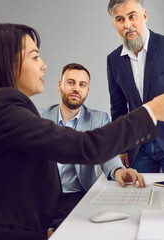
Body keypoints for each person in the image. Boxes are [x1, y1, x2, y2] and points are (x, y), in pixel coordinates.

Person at [0, 23, 164, 240]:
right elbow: (85, 146)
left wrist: (117, 170)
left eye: (83, 84)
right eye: (34, 57)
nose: (44, 65)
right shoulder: (3, 107)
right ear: (7, 63)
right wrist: (150, 112)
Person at [41, 63, 144, 223]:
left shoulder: (98, 119)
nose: (76, 88)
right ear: (60, 85)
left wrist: (119, 170)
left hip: (77, 195)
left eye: (82, 85)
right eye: (71, 82)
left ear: (87, 91)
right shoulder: (40, 117)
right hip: (42, 195)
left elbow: (107, 153)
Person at [107, 0, 164, 173]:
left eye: (132, 16)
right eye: (120, 19)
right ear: (114, 23)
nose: (127, 25)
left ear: (144, 16)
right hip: (138, 150)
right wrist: (122, 147)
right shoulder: (113, 60)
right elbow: (118, 109)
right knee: (139, 198)